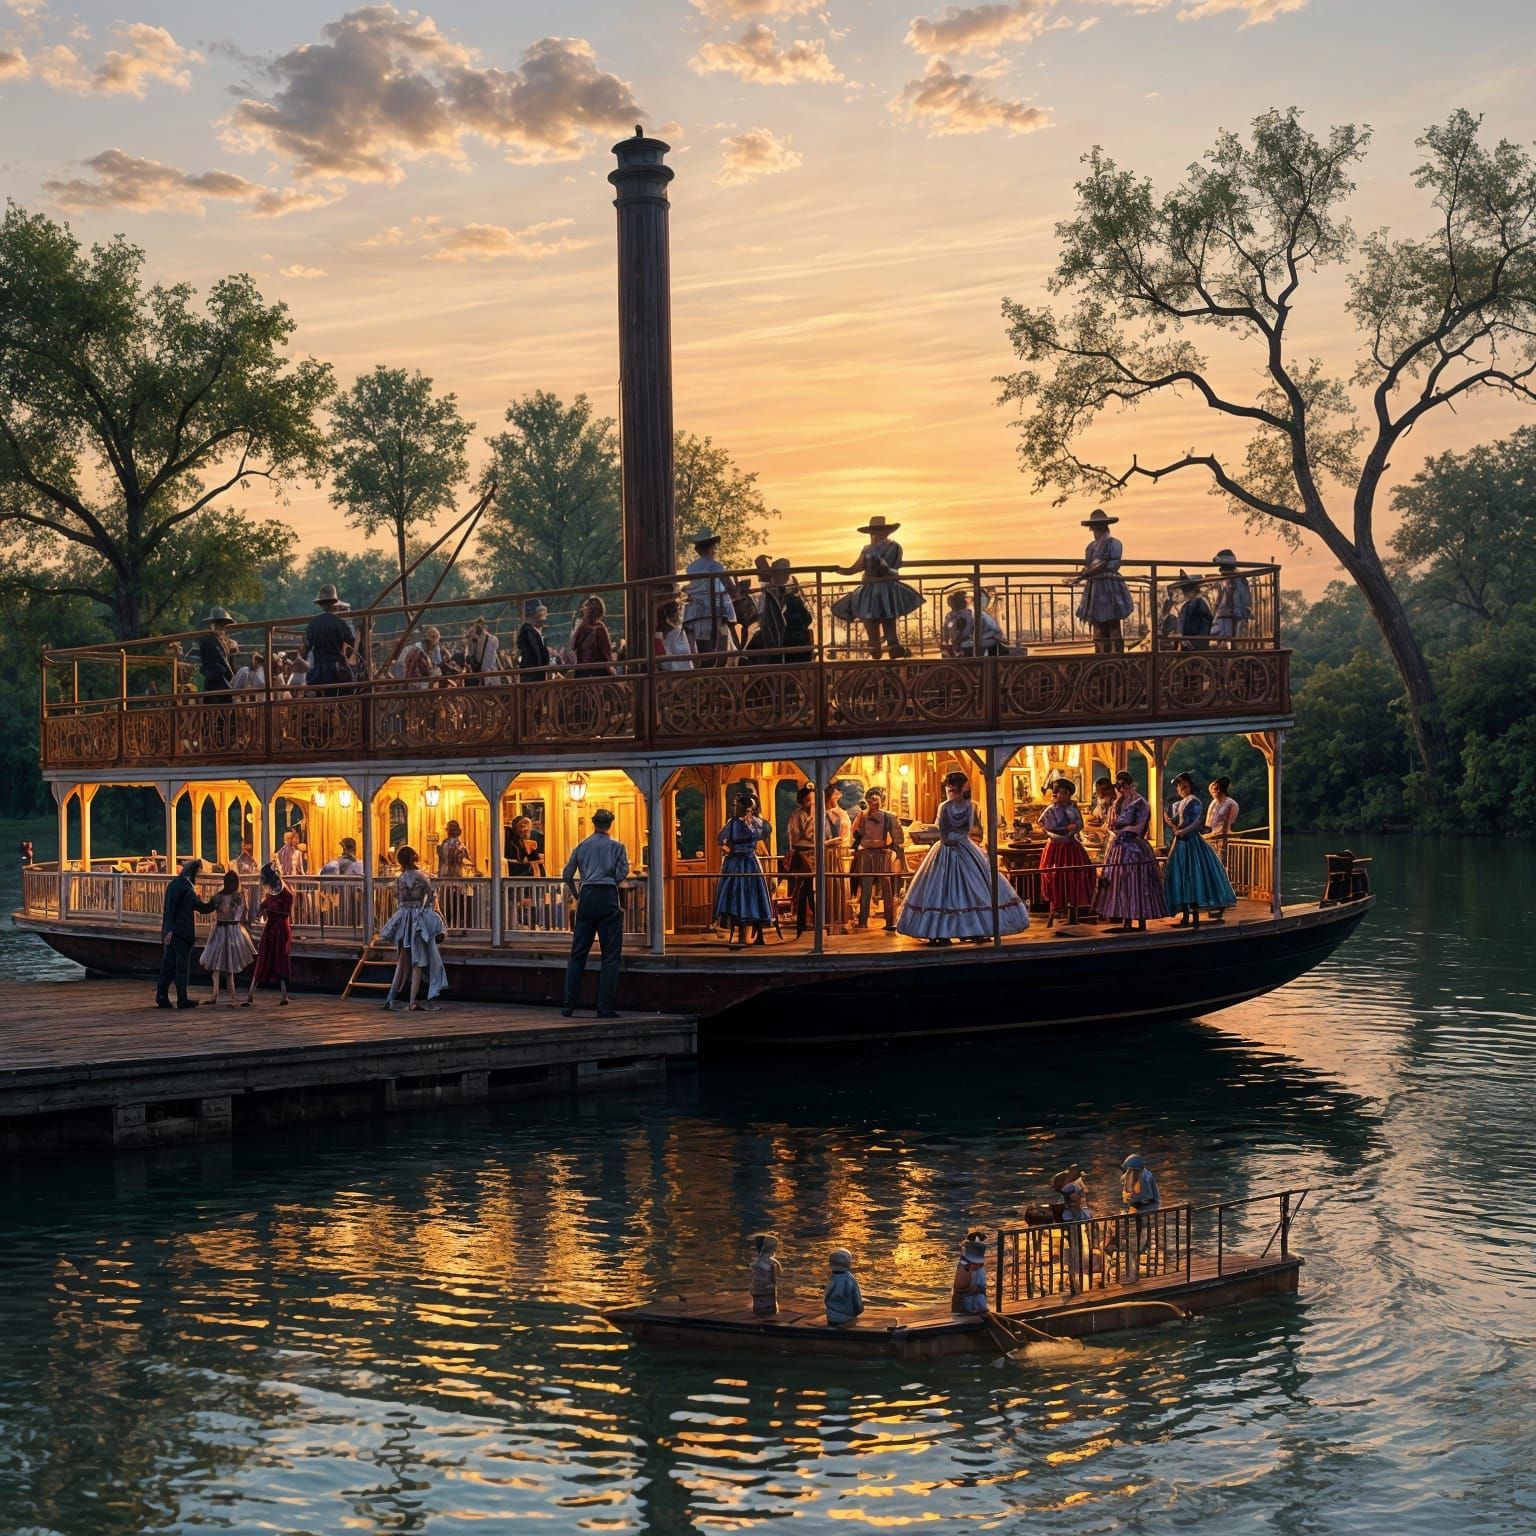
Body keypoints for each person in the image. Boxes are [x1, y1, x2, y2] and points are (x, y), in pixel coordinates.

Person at [896, 770, 1028, 945]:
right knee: (973, 889)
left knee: (942, 891)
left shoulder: (945, 806)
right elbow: (973, 829)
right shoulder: (971, 805)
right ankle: (974, 929)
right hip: (966, 847)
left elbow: (942, 832)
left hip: (947, 848)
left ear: (951, 788)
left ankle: (941, 932)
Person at [561, 807, 630, 1017]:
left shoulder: (582, 846)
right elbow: (622, 871)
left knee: (578, 953)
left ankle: (569, 1003)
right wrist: (612, 882)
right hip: (607, 893)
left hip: (588, 893)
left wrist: (576, 892)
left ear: (594, 823)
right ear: (610, 824)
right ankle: (605, 1006)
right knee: (610, 955)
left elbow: (567, 874)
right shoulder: (617, 846)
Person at [830, 515, 922, 660]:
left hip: (887, 591)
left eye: (879, 532)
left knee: (889, 624)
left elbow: (891, 569)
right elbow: (856, 567)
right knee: (871, 627)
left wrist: (878, 562)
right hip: (869, 592)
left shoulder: (895, 547)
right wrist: (840, 570)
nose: (875, 535)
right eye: (873, 532)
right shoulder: (867, 549)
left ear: (885, 532)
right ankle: (876, 656)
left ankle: (893, 652)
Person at [1162, 772, 1237, 929]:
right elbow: (1178, 823)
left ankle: (1194, 917)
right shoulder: (1180, 803)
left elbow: (1196, 822)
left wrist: (1183, 831)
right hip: (1181, 843)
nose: (1181, 788)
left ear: (1190, 786)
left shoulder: (1194, 802)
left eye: (1184, 785)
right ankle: (1185, 916)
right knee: (1180, 877)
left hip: (1191, 842)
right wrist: (1170, 823)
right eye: (1179, 785)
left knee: (1193, 877)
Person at [1098, 770, 1167, 933]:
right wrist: (1114, 829)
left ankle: (1141, 918)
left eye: (1123, 785)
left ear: (1130, 785)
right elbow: (1110, 823)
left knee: (1137, 882)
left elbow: (1139, 826)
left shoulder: (1140, 802)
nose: (1121, 789)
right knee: (1120, 883)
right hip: (1119, 845)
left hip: (1134, 847)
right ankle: (1125, 919)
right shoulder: (1118, 803)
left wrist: (1121, 829)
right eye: (1118, 786)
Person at [380, 845, 447, 1011]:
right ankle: (412, 1002)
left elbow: (398, 898)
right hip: (418, 917)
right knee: (419, 960)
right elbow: (431, 896)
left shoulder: (400, 878)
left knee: (402, 960)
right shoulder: (422, 876)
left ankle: (391, 997)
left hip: (403, 917)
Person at [714, 790, 774, 949]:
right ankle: (740, 931)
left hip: (749, 860)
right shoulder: (732, 823)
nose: (741, 812)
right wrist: (727, 848)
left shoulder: (755, 823)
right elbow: (720, 839)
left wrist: (755, 820)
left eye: (746, 810)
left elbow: (767, 830)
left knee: (752, 892)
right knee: (735, 893)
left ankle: (752, 932)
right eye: (739, 809)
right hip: (735, 861)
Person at [155, 858, 216, 1009]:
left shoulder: (174, 885)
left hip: (171, 931)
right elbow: (201, 907)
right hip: (182, 932)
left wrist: (167, 929)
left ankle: (161, 995)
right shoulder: (187, 889)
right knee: (181, 966)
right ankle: (182, 999)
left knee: (169, 965)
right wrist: (215, 902)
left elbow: (170, 909)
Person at [1037, 778, 1097, 930]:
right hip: (1056, 846)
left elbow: (1080, 824)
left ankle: (1074, 914)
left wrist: (1074, 828)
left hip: (1071, 846)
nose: (1063, 796)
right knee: (1056, 877)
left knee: (1076, 876)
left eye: (1066, 793)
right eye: (1061, 793)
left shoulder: (1072, 808)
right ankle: (1054, 912)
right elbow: (1047, 825)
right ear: (1056, 794)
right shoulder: (1051, 809)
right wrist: (1064, 828)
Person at [1073, 509, 1134, 653]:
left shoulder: (1115, 544)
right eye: (1095, 527)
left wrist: (1083, 576)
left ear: (1105, 526)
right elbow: (1089, 565)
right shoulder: (1091, 547)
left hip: (1110, 585)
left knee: (1112, 621)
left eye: (1100, 526)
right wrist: (1082, 574)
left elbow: (1106, 565)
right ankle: (1100, 655)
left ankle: (1116, 656)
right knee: (1098, 623)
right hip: (1095, 586)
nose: (1097, 530)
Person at [199, 869, 256, 1007]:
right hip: (234, 930)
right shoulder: (238, 898)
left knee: (217, 966)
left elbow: (206, 909)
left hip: (221, 930)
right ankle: (231, 997)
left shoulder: (219, 897)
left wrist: (198, 900)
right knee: (229, 966)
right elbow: (244, 914)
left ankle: (218, 995)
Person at [851, 786, 904, 931]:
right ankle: (863, 920)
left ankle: (890, 921)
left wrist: (896, 853)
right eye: (871, 798)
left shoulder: (889, 816)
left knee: (887, 888)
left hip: (883, 854)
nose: (874, 801)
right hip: (866, 853)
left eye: (877, 797)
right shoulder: (862, 815)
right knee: (865, 887)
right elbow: (854, 831)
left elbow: (898, 838)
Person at [746, 556, 812, 664]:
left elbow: (766, 619)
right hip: (794, 641)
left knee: (757, 643)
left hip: (785, 642)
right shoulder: (782, 591)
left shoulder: (777, 593)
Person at [244, 862, 293, 1005]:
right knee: (270, 958)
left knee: (274, 958)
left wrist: (263, 909)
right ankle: (252, 993)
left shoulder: (281, 894)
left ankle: (281, 995)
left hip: (278, 929)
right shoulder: (275, 892)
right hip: (275, 927)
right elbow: (264, 908)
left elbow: (282, 911)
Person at [682, 530, 732, 666]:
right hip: (713, 609)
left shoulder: (691, 568)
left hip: (693, 611)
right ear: (711, 549)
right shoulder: (716, 566)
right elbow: (728, 585)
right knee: (729, 615)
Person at [784, 784, 820, 938]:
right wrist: (811, 820)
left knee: (810, 890)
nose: (811, 802)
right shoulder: (796, 816)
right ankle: (805, 921)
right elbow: (798, 837)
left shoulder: (817, 815)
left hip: (814, 855)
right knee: (805, 890)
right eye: (808, 799)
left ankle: (812, 921)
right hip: (801, 855)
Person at [304, 584, 356, 690]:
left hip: (318, 673)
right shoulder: (339, 623)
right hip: (337, 671)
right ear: (334, 603)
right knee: (350, 689)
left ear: (321, 605)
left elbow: (306, 647)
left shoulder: (313, 624)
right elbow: (352, 643)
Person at [1205, 777, 1240, 919]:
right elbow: (1210, 824)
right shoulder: (1214, 803)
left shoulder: (1230, 804)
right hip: (1212, 837)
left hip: (1222, 839)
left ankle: (1222, 902)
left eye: (1217, 788)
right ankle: (1212, 902)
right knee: (1210, 871)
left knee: (1221, 870)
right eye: (1214, 789)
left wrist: (1222, 838)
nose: (1214, 791)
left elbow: (1226, 826)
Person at [823, 782, 853, 934]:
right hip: (832, 853)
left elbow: (848, 834)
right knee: (833, 884)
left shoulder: (841, 812)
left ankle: (842, 918)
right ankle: (832, 918)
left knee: (841, 884)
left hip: (841, 851)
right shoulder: (828, 814)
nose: (837, 796)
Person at [1211, 549, 1253, 646]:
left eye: (1222, 567)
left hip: (1234, 620)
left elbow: (1245, 604)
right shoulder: (1224, 582)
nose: (1220, 570)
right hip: (1223, 621)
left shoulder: (1239, 581)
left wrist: (1237, 614)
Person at [571, 596, 616, 675]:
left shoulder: (598, 629)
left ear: (590, 610)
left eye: (586, 606)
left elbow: (605, 653)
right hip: (584, 671)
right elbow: (572, 646)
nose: (583, 609)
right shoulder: (582, 627)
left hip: (594, 671)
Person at [197, 608, 238, 695]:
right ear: (212, 626)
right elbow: (219, 666)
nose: (221, 628)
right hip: (216, 683)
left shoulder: (225, 642)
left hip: (222, 682)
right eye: (218, 624)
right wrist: (231, 683)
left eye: (224, 625)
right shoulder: (209, 640)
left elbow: (229, 663)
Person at [1169, 572, 1213, 649]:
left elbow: (1197, 626)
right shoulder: (1193, 603)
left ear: (1193, 589)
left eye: (1187, 589)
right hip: (1193, 642)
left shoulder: (1197, 603)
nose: (1184, 591)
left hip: (1196, 644)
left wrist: (1181, 635)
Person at [951, 1232, 990, 1315]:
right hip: (965, 1309)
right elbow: (961, 1290)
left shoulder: (974, 1261)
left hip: (976, 1307)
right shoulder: (967, 1264)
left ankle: (979, 1307)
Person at [823, 1248, 864, 1327]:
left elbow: (827, 1296)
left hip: (831, 1317)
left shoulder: (832, 1279)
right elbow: (856, 1299)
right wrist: (859, 1310)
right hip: (847, 1318)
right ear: (849, 1263)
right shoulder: (850, 1279)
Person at [656, 598, 696, 671]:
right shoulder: (670, 633)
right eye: (678, 610)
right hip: (676, 673)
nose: (680, 613)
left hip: (681, 672)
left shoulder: (680, 631)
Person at [516, 603, 553, 679]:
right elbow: (533, 653)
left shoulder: (535, 633)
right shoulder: (528, 632)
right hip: (533, 673)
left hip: (536, 671)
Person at [749, 1234, 782, 1318]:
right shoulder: (769, 1263)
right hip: (765, 1292)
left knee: (763, 1307)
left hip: (761, 1292)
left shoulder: (758, 1263)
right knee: (766, 1309)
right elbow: (773, 1279)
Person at [464, 618, 499, 685]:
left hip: (480, 672)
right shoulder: (493, 639)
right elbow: (496, 649)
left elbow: (470, 654)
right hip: (492, 672)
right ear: (485, 626)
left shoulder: (472, 639)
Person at [941, 590, 976, 657]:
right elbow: (946, 629)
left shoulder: (966, 614)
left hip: (963, 644)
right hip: (960, 644)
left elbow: (947, 630)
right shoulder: (952, 615)